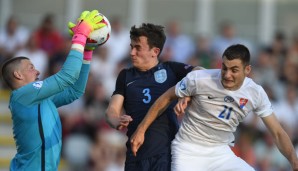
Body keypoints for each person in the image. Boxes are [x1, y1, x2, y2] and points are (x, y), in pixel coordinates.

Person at [130, 44, 298, 171]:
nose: (227, 74)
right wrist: (141, 130)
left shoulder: (255, 93)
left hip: (221, 152)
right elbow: (165, 98)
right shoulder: (200, 79)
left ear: (247, 70)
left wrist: (294, 161)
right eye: (224, 67)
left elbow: (277, 132)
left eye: (234, 70)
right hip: (188, 151)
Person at [1, 10, 106, 171]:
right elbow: (67, 76)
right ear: (18, 74)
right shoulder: (23, 95)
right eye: (31, 68)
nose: (37, 72)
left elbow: (75, 91)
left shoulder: (39, 98)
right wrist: (80, 37)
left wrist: (87, 52)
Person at [105, 23, 201, 171]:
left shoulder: (171, 69)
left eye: (138, 48)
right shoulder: (125, 76)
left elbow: (201, 73)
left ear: (155, 51)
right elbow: (112, 110)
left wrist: (187, 92)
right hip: (135, 155)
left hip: (165, 154)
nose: (132, 53)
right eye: (131, 47)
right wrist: (116, 120)